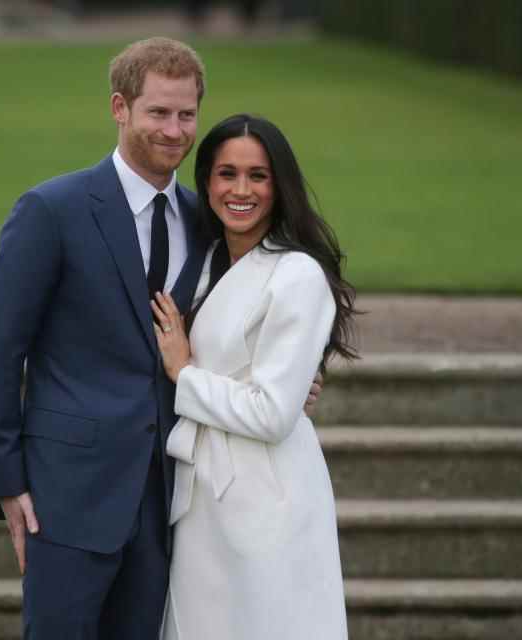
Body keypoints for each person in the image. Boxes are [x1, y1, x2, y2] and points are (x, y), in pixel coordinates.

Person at [0, 39, 322, 639]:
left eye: (186, 114)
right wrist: (9, 484)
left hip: (170, 502)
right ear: (120, 108)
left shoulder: (204, 219)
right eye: (158, 112)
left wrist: (279, 377)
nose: (174, 129)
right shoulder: (51, 210)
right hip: (68, 497)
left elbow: (220, 330)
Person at [151, 113, 358, 640]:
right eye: (226, 174)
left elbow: (270, 413)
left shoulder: (298, 274)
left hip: (265, 496)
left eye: (257, 176)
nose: (240, 190)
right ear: (207, 182)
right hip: (200, 492)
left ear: (279, 185)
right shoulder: (204, 260)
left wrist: (185, 374)